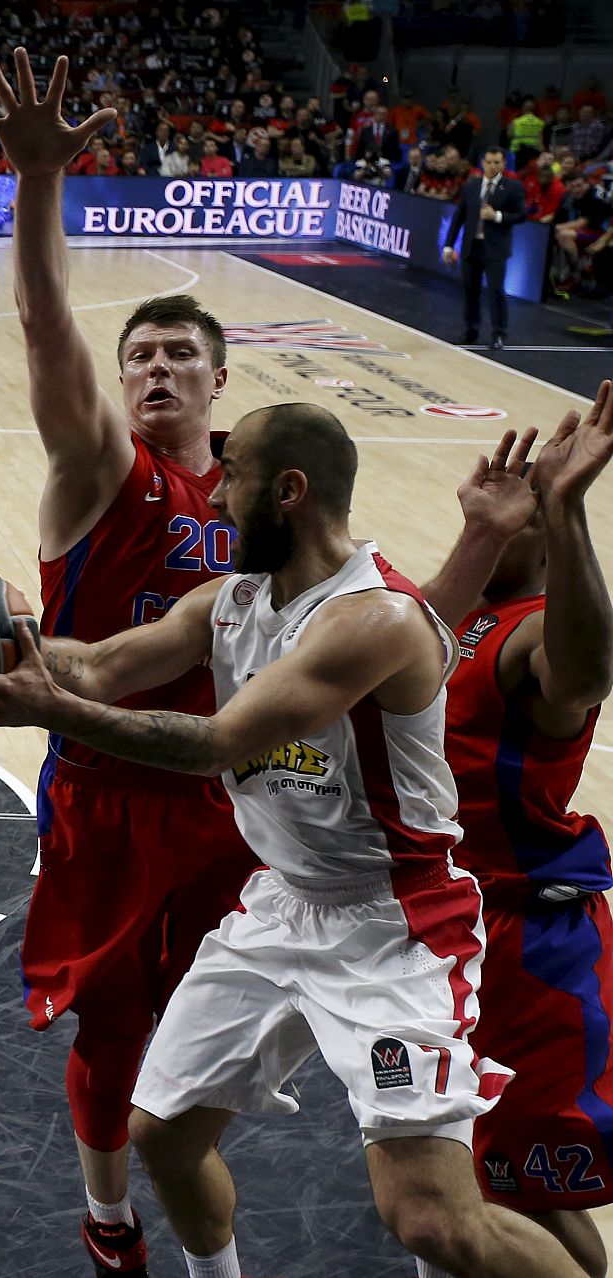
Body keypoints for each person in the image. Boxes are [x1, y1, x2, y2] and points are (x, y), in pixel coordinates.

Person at [0, 401, 587, 1278]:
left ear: (288, 491)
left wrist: (53, 711)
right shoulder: (229, 600)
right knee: (161, 1138)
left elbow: (214, 744)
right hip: (280, 902)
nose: (216, 500)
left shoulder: (376, 618)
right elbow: (105, 663)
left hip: (393, 924)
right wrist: (11, 651)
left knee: (430, 1218)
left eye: (232, 482)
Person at [0, 49, 254, 1278]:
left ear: (218, 377)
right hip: (105, 797)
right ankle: (111, 1215)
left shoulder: (258, 486)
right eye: (142, 354)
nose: (156, 367)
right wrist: (38, 184)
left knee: (241, 1021)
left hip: (235, 784)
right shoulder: (100, 466)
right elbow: (43, 327)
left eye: (180, 352)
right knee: (116, 1040)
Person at [421, 383, 613, 1278]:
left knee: (504, 1193)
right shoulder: (454, 609)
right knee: (459, 1180)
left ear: (549, 539)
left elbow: (584, 673)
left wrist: (569, 509)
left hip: (526, 944)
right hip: (443, 928)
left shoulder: (537, 636)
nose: (499, 508)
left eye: (521, 507)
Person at [444, 147, 527, 349]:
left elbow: (521, 215)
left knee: (496, 291)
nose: (492, 166)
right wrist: (448, 244)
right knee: (470, 290)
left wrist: (497, 216)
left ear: (504, 164)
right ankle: (471, 330)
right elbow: (459, 216)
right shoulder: (471, 185)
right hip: (472, 246)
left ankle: (499, 333)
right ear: (483, 163)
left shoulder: (513, 187)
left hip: (496, 250)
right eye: (489, 162)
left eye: (497, 162)